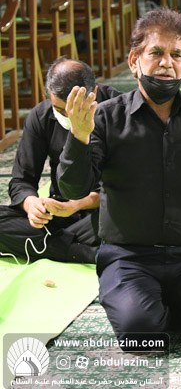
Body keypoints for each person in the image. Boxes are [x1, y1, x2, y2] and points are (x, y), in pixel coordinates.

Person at [57, 9, 181, 351]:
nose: (167, 63)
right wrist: (79, 136)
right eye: (156, 53)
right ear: (134, 61)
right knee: (142, 335)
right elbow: (73, 188)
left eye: (177, 55)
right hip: (128, 258)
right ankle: (150, 307)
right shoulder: (104, 119)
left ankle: (166, 304)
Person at [0, 60, 118, 265]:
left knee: (140, 215)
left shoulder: (118, 110)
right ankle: (83, 252)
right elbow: (21, 180)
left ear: (94, 93)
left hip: (103, 211)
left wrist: (79, 203)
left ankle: (57, 246)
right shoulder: (41, 115)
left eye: (74, 108)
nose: (68, 115)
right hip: (59, 212)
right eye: (59, 109)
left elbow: (130, 186)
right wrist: (31, 204)